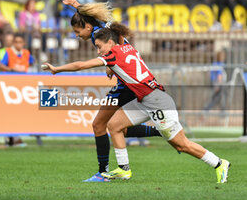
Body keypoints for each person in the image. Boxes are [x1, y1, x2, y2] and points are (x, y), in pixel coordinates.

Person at [42, 22, 231, 184]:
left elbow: (81, 65)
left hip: (157, 101)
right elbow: (116, 35)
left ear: (110, 42)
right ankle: (124, 169)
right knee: (114, 125)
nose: (99, 51)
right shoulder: (128, 47)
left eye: (99, 46)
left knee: (181, 145)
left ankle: (219, 163)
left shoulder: (113, 54)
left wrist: (57, 69)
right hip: (146, 98)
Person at [59, 0, 162, 182]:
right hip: (130, 83)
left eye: (76, 30)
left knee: (99, 124)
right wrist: (75, 4)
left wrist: (110, 61)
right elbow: (110, 29)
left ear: (87, 28)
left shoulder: (98, 32)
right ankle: (159, 130)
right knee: (118, 128)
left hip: (125, 86)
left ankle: (103, 172)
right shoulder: (100, 29)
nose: (76, 34)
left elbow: (103, 38)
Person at [0, 33, 32, 147]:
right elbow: (1, 65)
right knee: (10, 112)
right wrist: (11, 69)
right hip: (11, 87)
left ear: (23, 43)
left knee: (20, 113)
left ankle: (16, 138)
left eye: (20, 42)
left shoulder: (26, 53)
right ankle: (10, 138)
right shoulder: (9, 52)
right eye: (16, 42)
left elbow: (32, 63)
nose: (18, 44)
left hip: (23, 87)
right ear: (13, 43)